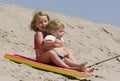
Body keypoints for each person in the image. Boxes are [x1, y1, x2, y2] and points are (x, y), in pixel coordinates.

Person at [30, 11, 94, 72]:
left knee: (66, 54)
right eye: (40, 22)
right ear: (36, 25)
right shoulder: (39, 33)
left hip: (53, 58)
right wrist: (53, 43)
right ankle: (67, 67)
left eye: (45, 21)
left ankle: (80, 67)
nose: (43, 24)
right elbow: (42, 47)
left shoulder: (49, 33)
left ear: (48, 22)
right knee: (51, 53)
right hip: (42, 58)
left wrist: (60, 47)